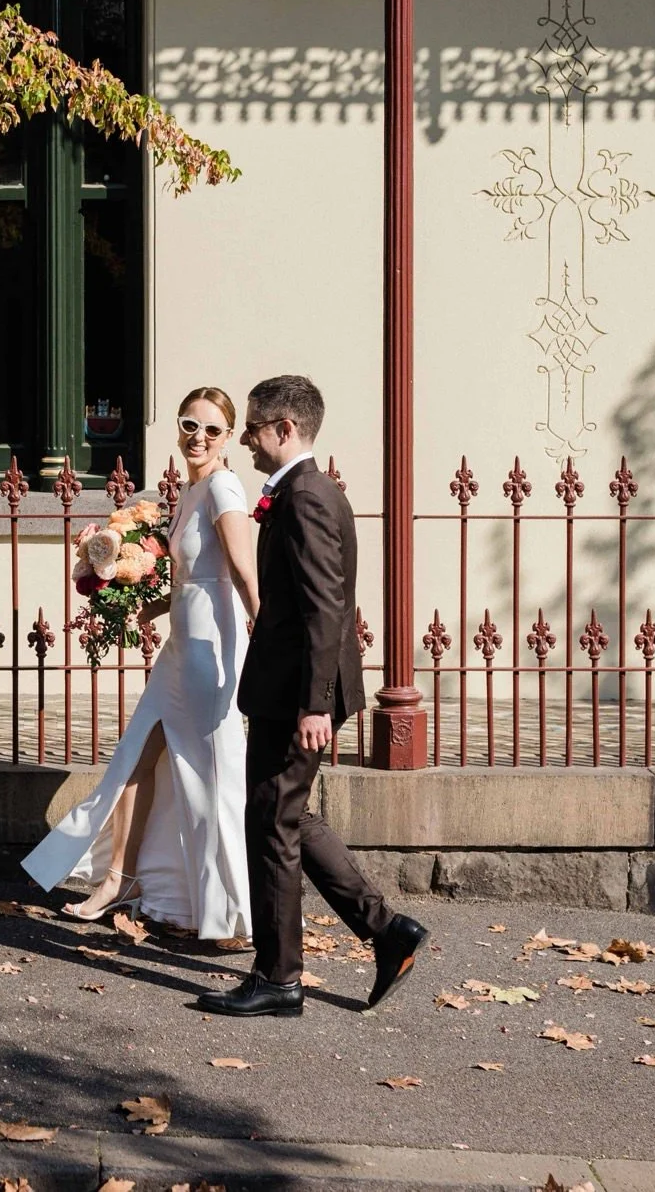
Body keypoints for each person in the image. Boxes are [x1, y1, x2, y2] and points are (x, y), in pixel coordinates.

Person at [195, 375, 427, 1018]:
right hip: (288, 686)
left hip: (299, 691)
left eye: (252, 427)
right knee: (284, 813)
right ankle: (387, 931)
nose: (245, 438)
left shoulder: (308, 497)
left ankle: (279, 978)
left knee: (271, 820)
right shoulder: (299, 492)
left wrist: (316, 704)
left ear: (285, 430)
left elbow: (329, 609)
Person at [22, 387, 260, 941]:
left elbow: (243, 574)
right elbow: (187, 581)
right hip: (181, 646)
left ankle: (226, 914)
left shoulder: (224, 487)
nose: (197, 437)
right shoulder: (191, 490)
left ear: (227, 438)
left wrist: (266, 636)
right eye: (188, 425)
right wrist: (128, 606)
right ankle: (119, 881)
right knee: (135, 762)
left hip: (210, 655)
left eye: (211, 429)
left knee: (207, 779)